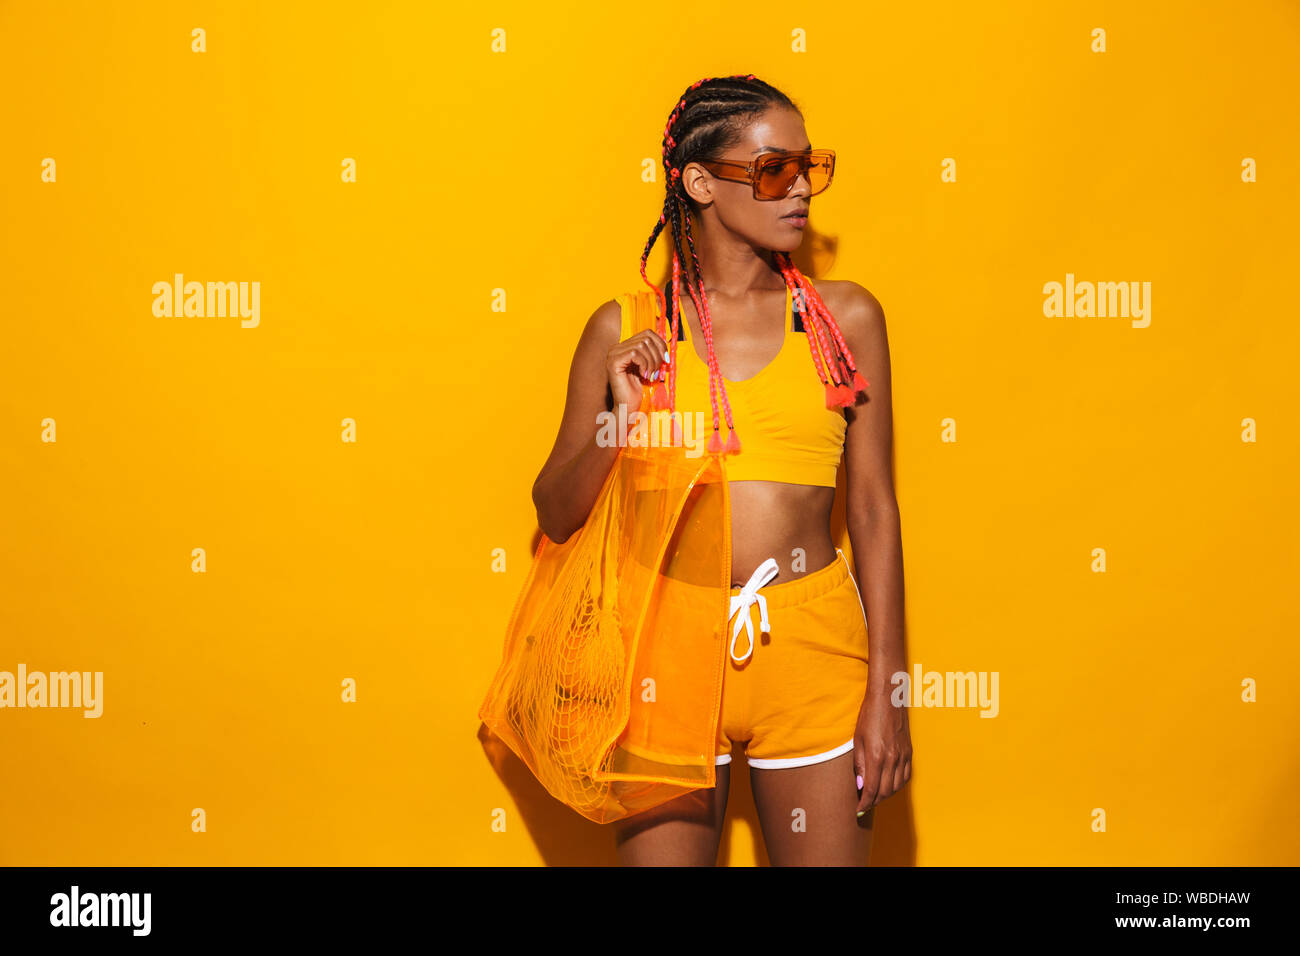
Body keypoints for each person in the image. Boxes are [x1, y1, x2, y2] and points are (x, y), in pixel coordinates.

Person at [531, 74, 911, 865]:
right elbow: (555, 512)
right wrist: (618, 418)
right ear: (700, 182)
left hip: (812, 654)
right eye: (775, 170)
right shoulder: (625, 328)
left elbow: (873, 509)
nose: (801, 188)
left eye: (809, 167)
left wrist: (890, 693)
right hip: (662, 655)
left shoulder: (845, 320)